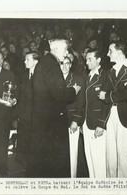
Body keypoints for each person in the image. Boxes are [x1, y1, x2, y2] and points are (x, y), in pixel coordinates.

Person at [28, 39, 81, 177]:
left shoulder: (45, 62)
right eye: (65, 50)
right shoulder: (51, 65)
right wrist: (73, 90)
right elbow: (59, 93)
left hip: (44, 119)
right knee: (53, 163)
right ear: (56, 50)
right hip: (51, 121)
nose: (67, 53)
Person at [98, 41, 127, 177]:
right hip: (111, 115)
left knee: (125, 159)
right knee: (111, 158)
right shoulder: (109, 72)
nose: (107, 54)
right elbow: (113, 96)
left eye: (110, 51)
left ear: (118, 53)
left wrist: (107, 96)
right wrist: (101, 123)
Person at [13, 51, 40, 172]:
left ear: (35, 61)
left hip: (36, 115)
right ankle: (23, 162)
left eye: (27, 60)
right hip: (24, 114)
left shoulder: (41, 76)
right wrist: (14, 101)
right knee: (23, 138)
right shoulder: (24, 75)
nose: (24, 62)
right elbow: (20, 94)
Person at [82, 49, 107, 178]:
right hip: (87, 124)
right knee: (90, 160)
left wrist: (101, 124)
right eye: (86, 59)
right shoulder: (87, 77)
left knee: (100, 161)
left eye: (90, 59)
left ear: (98, 60)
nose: (87, 62)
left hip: (97, 124)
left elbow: (106, 102)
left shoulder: (104, 76)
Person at [60, 56, 85, 178]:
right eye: (61, 63)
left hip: (71, 120)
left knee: (72, 152)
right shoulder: (54, 79)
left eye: (67, 63)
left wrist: (76, 120)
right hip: (56, 121)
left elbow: (81, 102)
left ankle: (72, 179)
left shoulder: (78, 79)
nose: (64, 66)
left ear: (70, 65)